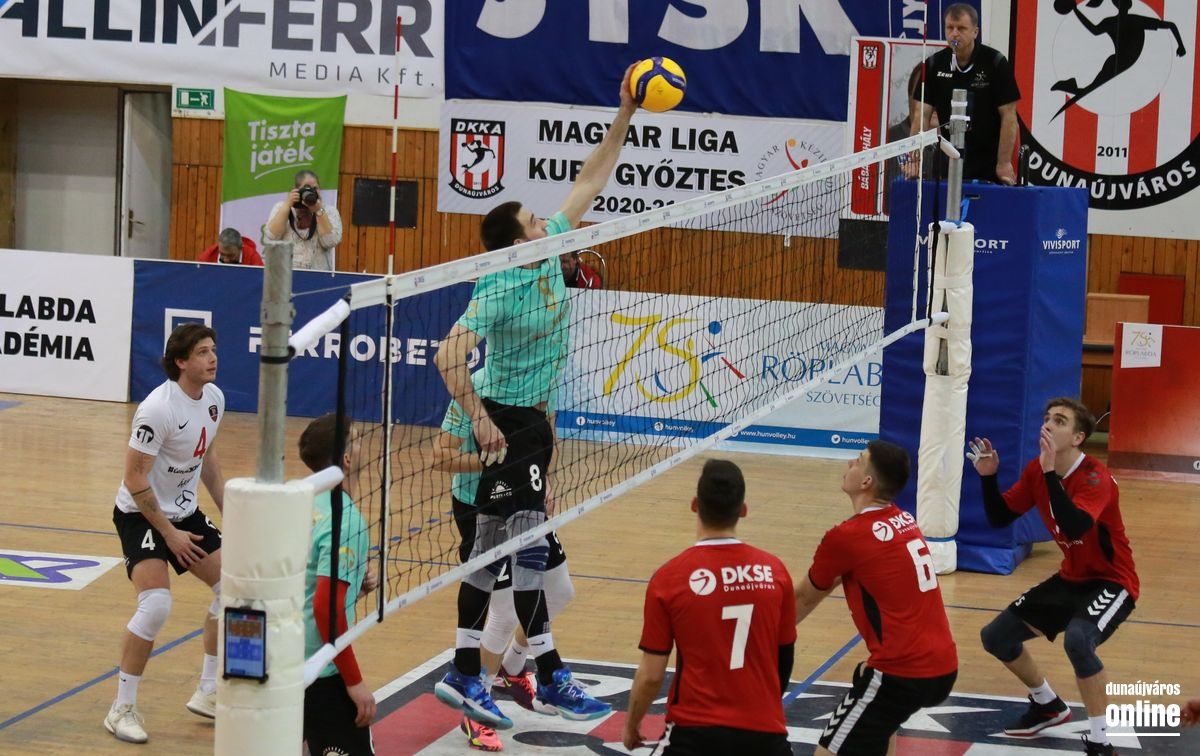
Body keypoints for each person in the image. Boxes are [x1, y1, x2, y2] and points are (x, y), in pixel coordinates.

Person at [431, 62, 638, 728]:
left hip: (531, 428)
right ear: (517, 240)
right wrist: (479, 420)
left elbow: (591, 178)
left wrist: (626, 113)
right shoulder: (496, 288)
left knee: (507, 555)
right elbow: (446, 356)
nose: (543, 220)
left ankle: (476, 673)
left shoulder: (550, 247)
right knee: (517, 554)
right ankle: (541, 677)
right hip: (504, 422)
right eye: (531, 219)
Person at [971, 398, 1138, 756]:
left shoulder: (1094, 476)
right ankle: (1047, 704)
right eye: (1046, 418)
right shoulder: (1038, 469)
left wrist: (1049, 475)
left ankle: (1101, 741)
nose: (1047, 424)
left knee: (1078, 641)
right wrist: (988, 478)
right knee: (996, 637)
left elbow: (1075, 524)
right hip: (1071, 578)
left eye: (1059, 421)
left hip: (1113, 581)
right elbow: (1000, 517)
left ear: (1078, 437)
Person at [793, 440, 958, 756]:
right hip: (943, 666)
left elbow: (802, 598)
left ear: (867, 481)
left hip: (902, 672)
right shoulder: (905, 520)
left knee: (827, 751)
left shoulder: (847, 537)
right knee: (872, 694)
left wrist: (761, 640)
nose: (850, 464)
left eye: (858, 461)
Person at [105, 323, 227, 744]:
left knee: (234, 591)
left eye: (213, 349)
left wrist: (231, 513)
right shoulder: (157, 408)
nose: (213, 358)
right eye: (203, 352)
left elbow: (206, 460)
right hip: (140, 514)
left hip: (185, 512)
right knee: (156, 604)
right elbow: (134, 477)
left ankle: (209, 691)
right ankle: (121, 708)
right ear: (181, 361)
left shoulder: (214, 399)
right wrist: (170, 534)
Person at [623, 459, 796, 755]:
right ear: (743, 510)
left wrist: (631, 724)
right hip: (765, 733)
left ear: (695, 505)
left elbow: (651, 676)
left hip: (693, 732)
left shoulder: (669, 578)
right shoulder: (775, 572)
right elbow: (784, 658)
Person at [433, 404, 573, 751]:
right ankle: (476, 708)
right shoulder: (473, 392)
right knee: (505, 612)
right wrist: (503, 464)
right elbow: (441, 457)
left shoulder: (539, 381)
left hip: (526, 497)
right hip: (481, 507)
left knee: (559, 591)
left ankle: (512, 667)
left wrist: (540, 475)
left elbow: (542, 427)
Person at [298, 414, 377, 756]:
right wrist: (354, 682)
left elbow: (303, 579)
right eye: (357, 439)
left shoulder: (299, 500)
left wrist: (354, 584)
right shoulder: (346, 521)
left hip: (278, 660)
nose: (363, 445)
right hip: (319, 671)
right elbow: (325, 609)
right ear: (346, 458)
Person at [907, 3, 1020, 184]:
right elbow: (921, 115)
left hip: (989, 160)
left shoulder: (995, 63)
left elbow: (1009, 116)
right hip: (949, 157)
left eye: (961, 28)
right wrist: (914, 160)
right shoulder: (933, 65)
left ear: (975, 32)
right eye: (950, 28)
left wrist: (1004, 163)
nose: (954, 34)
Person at [264, 169, 343, 270]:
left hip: (318, 275)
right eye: (306, 188)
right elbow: (272, 236)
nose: (311, 192)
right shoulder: (282, 208)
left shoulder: (329, 211)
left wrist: (318, 211)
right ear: (296, 190)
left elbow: (330, 241)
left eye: (315, 188)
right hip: (287, 274)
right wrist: (287, 205)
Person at [197, 227, 264, 265]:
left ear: (241, 248)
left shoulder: (253, 258)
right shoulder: (206, 258)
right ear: (218, 246)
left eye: (231, 255)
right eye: (222, 254)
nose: (226, 260)